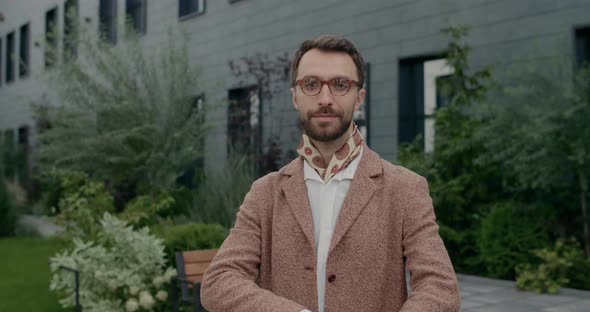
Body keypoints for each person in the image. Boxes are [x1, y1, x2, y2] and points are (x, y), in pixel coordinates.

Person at [201, 35, 460, 312]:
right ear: (295, 97)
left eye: (340, 85)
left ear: (358, 97)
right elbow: (219, 281)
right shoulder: (265, 193)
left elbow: (440, 286)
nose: (325, 99)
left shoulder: (405, 188)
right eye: (311, 84)